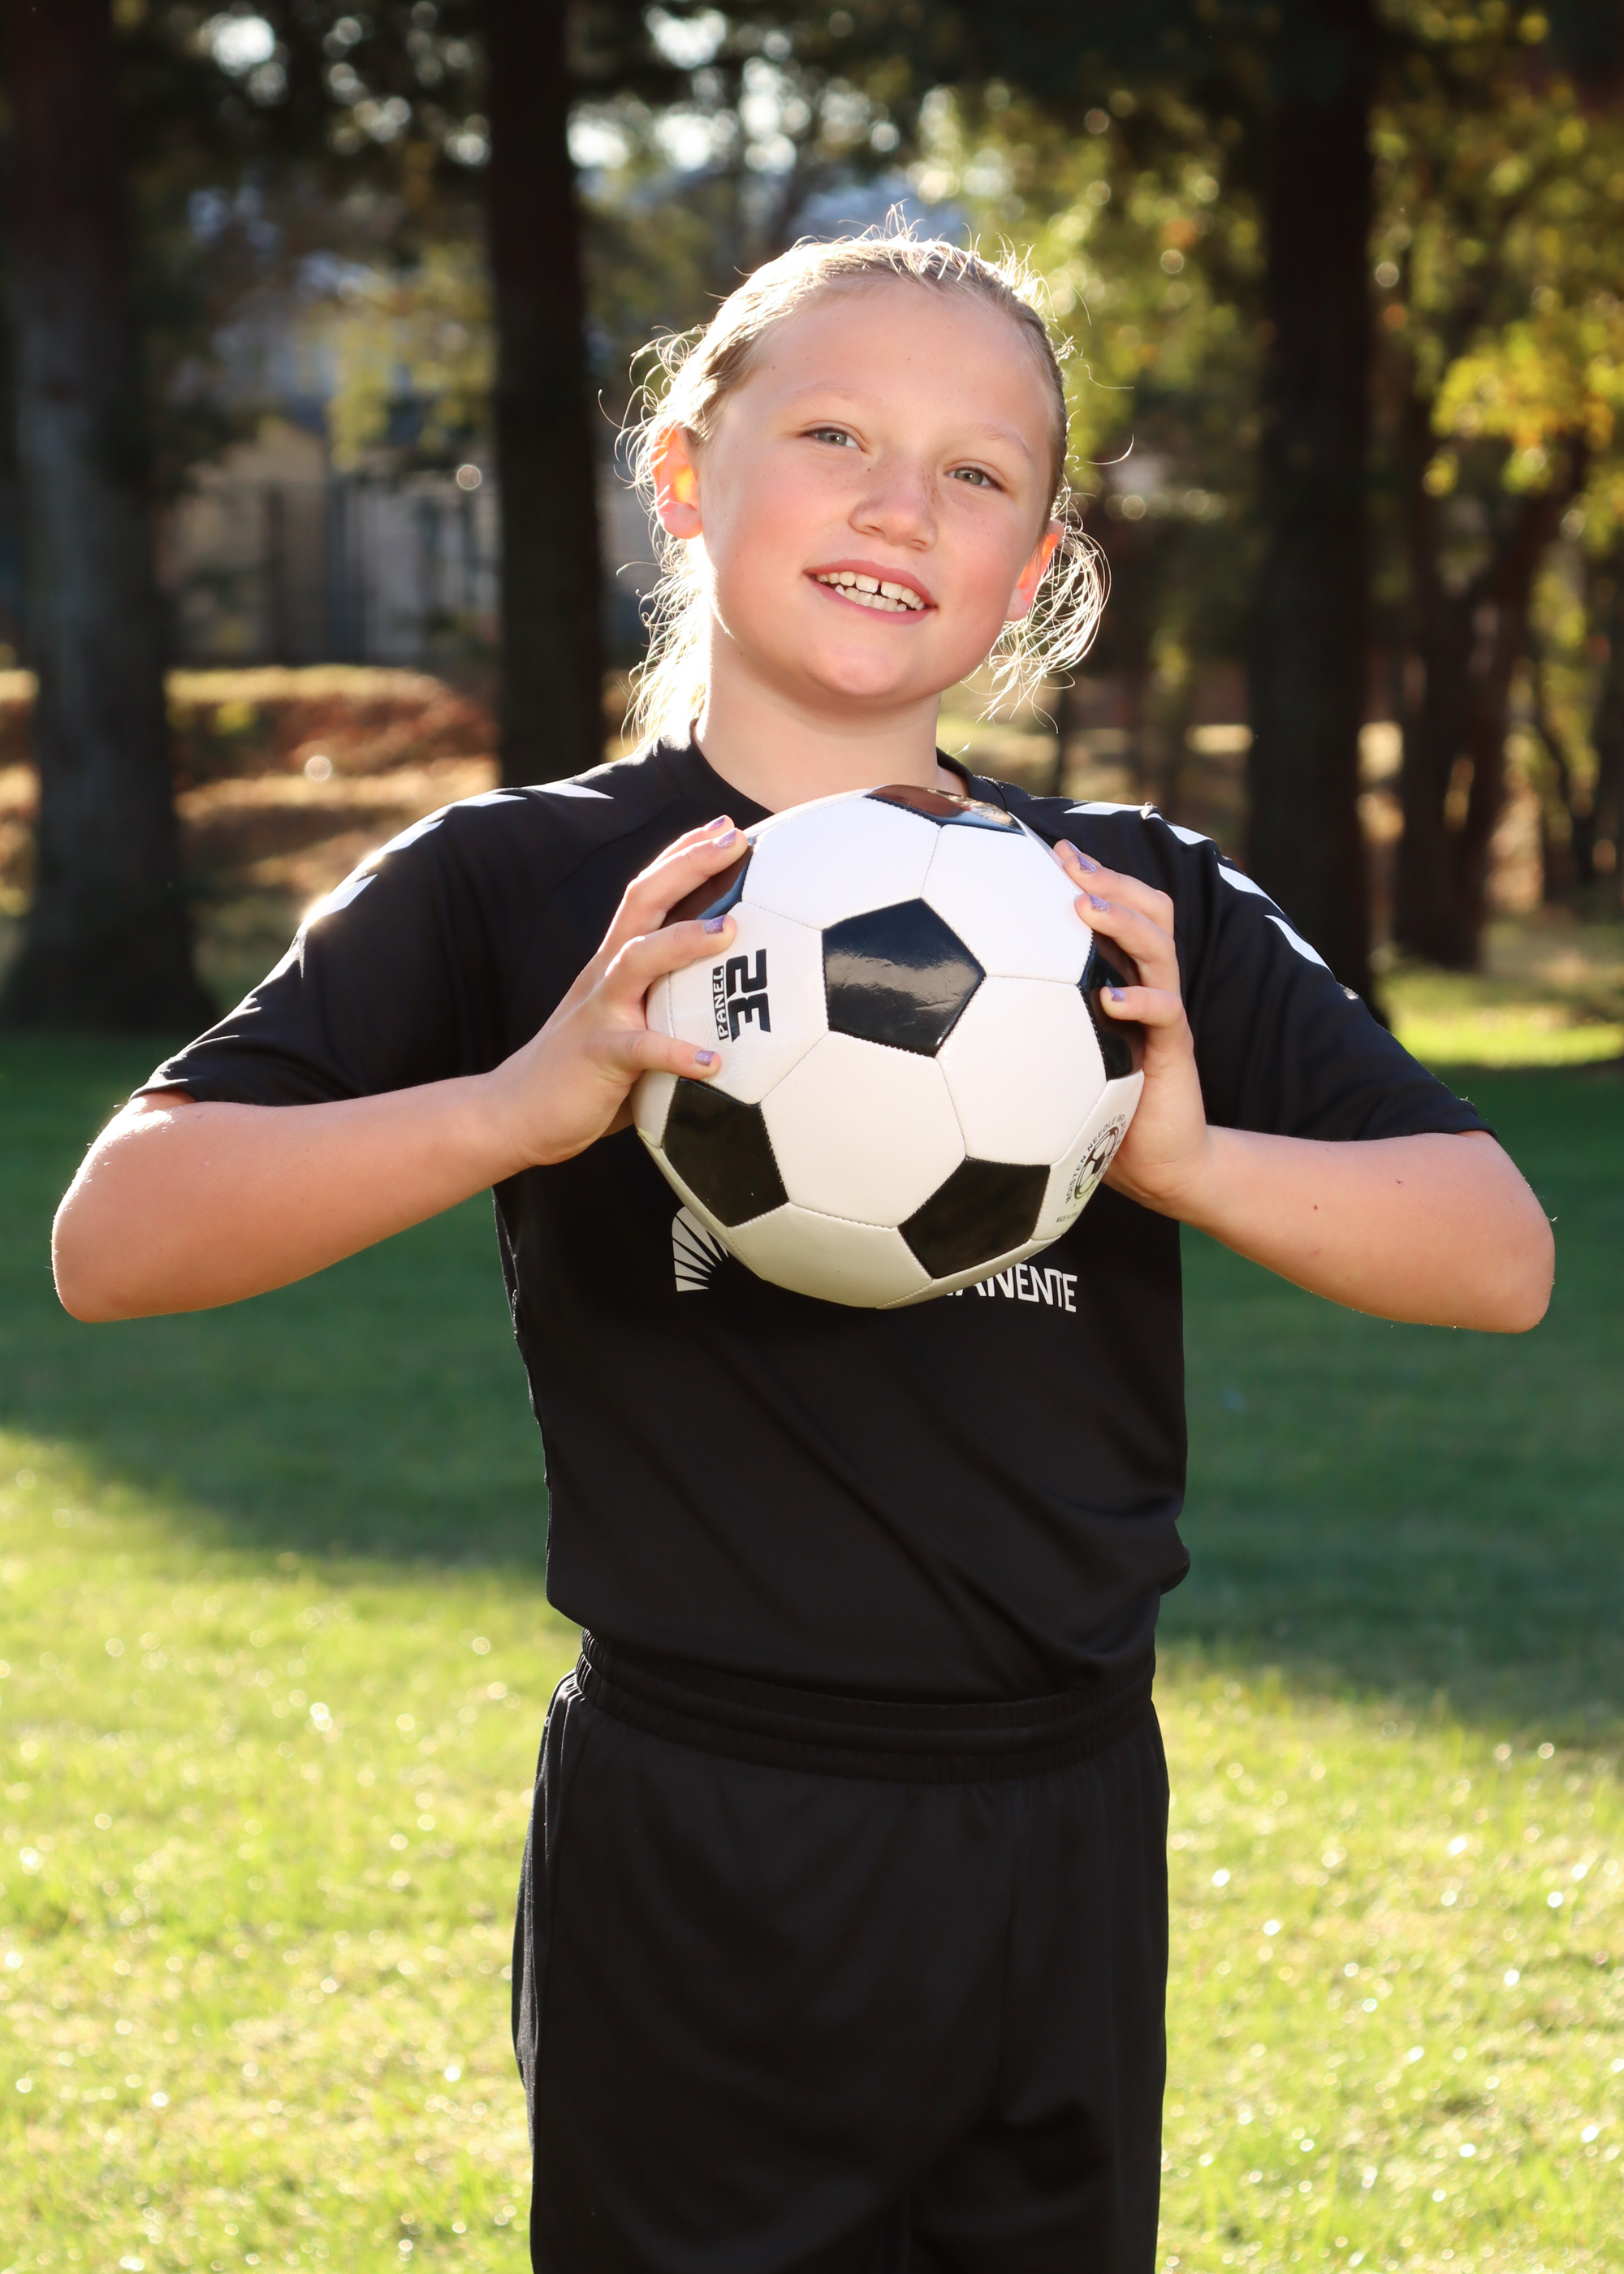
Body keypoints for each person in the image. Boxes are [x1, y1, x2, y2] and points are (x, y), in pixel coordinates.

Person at [52, 233, 1553, 2274]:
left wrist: (1187, 1155)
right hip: (705, 1824)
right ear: (684, 472)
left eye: (975, 473)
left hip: (1061, 1816)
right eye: (835, 434)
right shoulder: (522, 882)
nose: (896, 506)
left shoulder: (1127, 907)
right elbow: (117, 1234)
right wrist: (518, 1104)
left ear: (1034, 565)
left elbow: (1495, 1252)